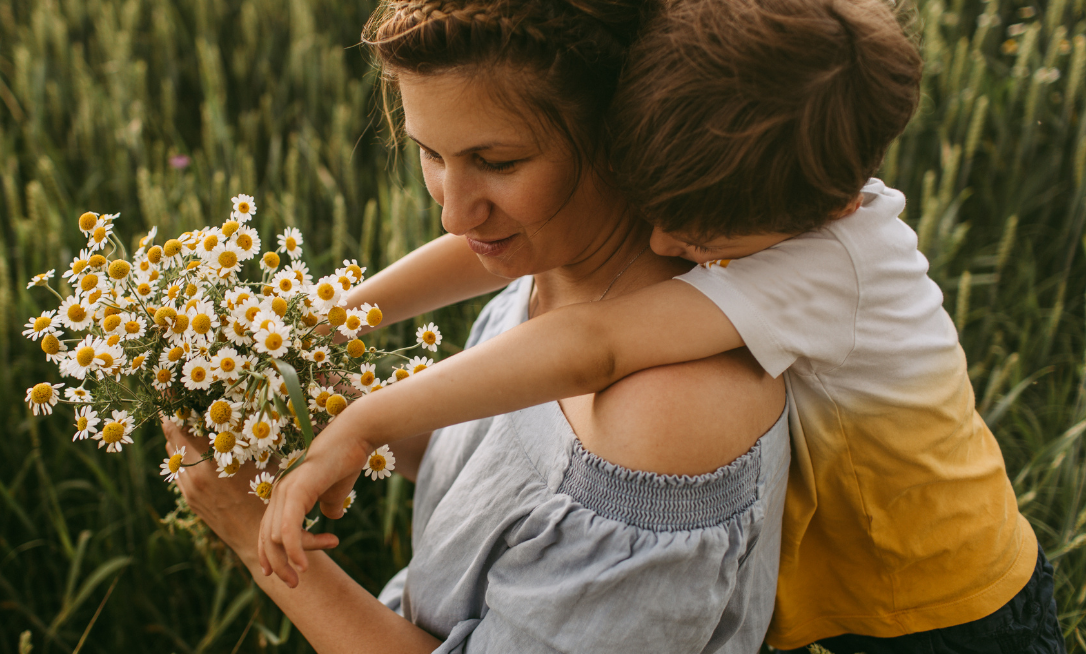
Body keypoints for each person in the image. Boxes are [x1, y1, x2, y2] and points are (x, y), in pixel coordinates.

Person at [260, 0, 1068, 651]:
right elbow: (486, 253)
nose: (660, 242)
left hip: (944, 606)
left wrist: (364, 421)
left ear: (839, 205)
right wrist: (320, 325)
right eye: (433, 155)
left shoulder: (821, 263)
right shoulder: (752, 188)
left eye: (692, 236)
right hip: (849, 585)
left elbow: (595, 345)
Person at [167, 0, 792, 651]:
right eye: (430, 154)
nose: (454, 217)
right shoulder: (555, 263)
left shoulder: (667, 418)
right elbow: (504, 481)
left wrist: (250, 531)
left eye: (497, 163)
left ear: (627, 137)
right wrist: (322, 415)